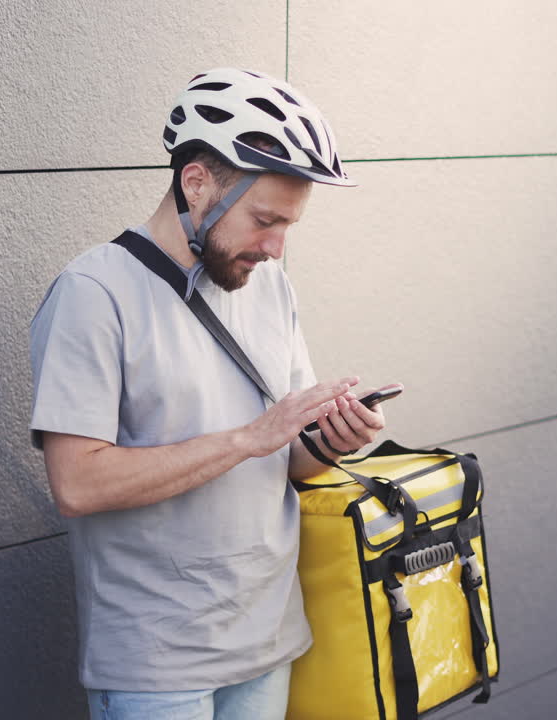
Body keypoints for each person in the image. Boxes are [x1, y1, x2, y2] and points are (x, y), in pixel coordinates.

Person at [28, 67, 397, 720]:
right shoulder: (95, 294)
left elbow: (286, 459)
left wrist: (326, 442)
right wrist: (246, 437)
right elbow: (78, 485)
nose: (277, 247)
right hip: (158, 665)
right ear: (196, 183)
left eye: (289, 223)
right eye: (263, 219)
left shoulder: (268, 286)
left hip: (269, 639)